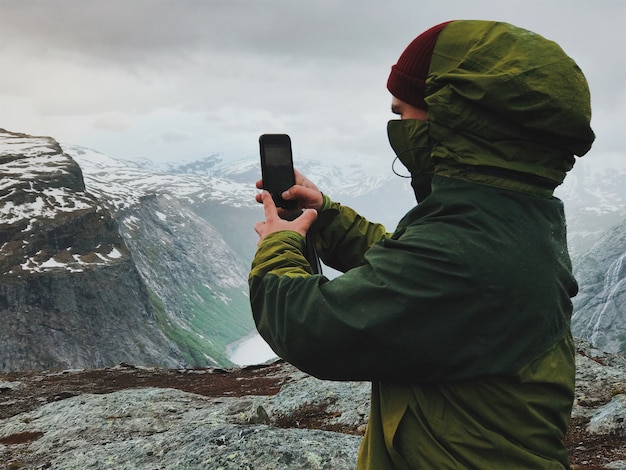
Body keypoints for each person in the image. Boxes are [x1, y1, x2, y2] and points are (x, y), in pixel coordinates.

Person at [249, 20, 595, 469]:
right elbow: (414, 269)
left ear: (453, 122)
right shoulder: (505, 218)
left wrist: (278, 247)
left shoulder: (466, 247)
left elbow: (310, 326)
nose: (397, 128)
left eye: (401, 114)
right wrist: (326, 217)